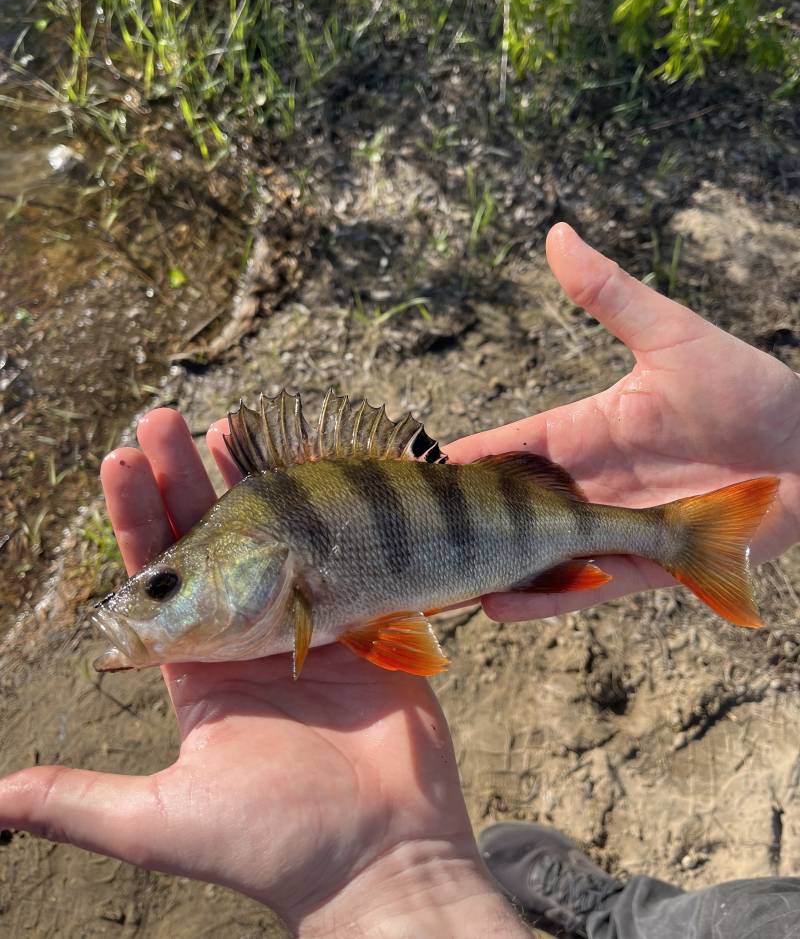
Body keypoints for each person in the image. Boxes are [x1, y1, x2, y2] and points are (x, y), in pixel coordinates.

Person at [0, 223, 797, 938]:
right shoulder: (278, 581)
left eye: (165, 587)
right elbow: (389, 635)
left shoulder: (290, 587)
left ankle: (625, 909)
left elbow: (385, 631)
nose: (150, 602)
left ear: (258, 560)